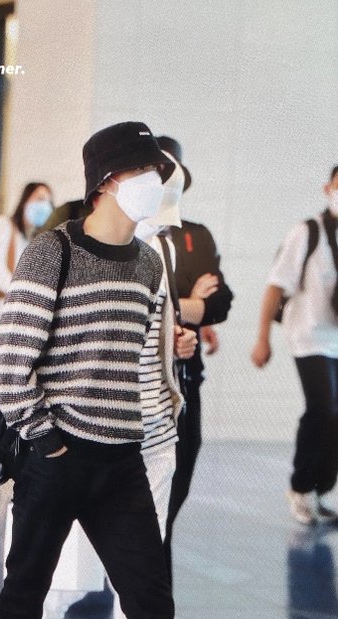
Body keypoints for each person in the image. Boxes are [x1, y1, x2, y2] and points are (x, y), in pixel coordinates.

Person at [0, 121, 191, 619]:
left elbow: (131, 360)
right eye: (143, 171)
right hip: (57, 459)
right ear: (107, 180)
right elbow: (11, 365)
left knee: (153, 614)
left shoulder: (147, 263)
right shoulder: (54, 251)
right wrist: (47, 441)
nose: (154, 182)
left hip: (122, 463)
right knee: (22, 603)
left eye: (157, 172)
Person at [156, 137, 233, 577]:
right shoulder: (133, 238)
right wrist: (188, 303)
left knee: (177, 482)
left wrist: (177, 306)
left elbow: (221, 301)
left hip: (186, 377)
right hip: (139, 383)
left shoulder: (194, 236)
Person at [251, 165, 338, 525]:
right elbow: (275, 286)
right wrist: (262, 338)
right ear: (327, 188)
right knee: (324, 408)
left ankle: (320, 489)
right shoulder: (307, 232)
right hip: (309, 335)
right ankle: (300, 487)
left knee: (335, 415)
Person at [0, 181, 53, 356]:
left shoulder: (35, 239)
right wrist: (27, 295)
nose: (44, 206)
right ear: (25, 200)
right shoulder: (3, 224)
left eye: (48, 202)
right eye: (39, 199)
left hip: (20, 327)